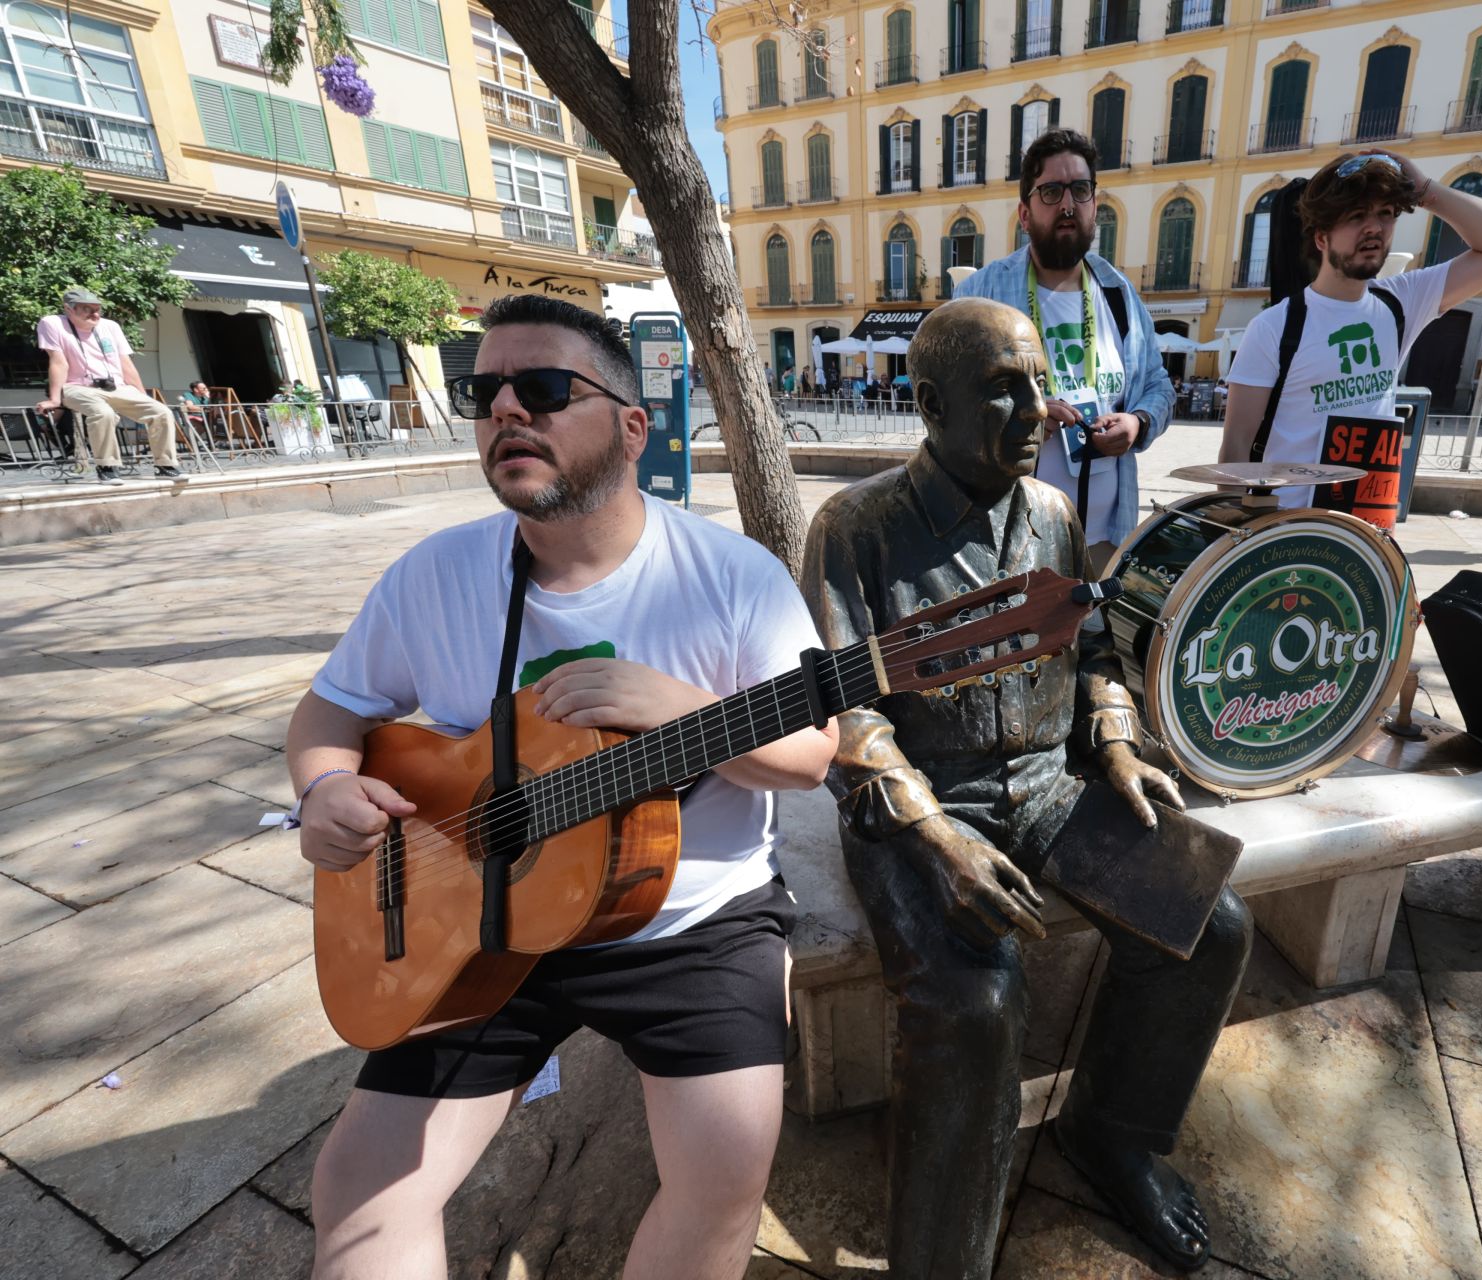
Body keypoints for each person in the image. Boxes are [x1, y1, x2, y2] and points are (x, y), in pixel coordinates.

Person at [289, 294, 837, 1279]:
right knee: (358, 1190)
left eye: (540, 387)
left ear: (633, 427)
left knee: (722, 1177)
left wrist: (675, 707)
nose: (506, 408)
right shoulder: (433, 577)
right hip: (481, 921)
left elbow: (810, 751)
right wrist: (324, 786)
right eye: (484, 390)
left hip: (689, 919)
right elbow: (329, 712)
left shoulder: (735, 577)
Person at [801, 298, 1251, 1279]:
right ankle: (943, 1259)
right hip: (921, 809)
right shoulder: (855, 528)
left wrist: (1121, 746)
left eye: (1043, 383)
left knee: (1208, 920)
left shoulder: (1052, 512)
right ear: (928, 404)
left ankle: (1113, 1136)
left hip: (1050, 784)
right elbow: (849, 720)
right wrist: (936, 837)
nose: (1040, 410)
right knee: (974, 998)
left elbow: (1090, 647)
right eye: (1006, 389)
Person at [1221, 152, 1482, 509]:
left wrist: (1425, 193)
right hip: (1290, 529)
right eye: (1356, 217)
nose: (1374, 227)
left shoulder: (1402, 300)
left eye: (1385, 214)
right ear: (1322, 238)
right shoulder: (1274, 326)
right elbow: (1236, 447)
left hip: (1368, 527)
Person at [955, 128, 1175, 575]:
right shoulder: (980, 296)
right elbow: (948, 403)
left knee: (1096, 643)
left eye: (1081, 189)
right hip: (1010, 547)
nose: (1068, 204)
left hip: (1104, 540)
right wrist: (1022, 414)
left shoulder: (1119, 294)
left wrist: (1139, 421)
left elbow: (1158, 385)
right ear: (1024, 212)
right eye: (1051, 191)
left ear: (1095, 204)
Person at [34, 286, 182, 483]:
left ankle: (165, 465)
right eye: (87, 309)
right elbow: (58, 361)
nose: (95, 313)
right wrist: (54, 399)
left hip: (116, 386)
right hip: (78, 386)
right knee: (103, 413)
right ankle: (107, 467)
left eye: (97, 308)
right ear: (69, 309)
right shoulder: (52, 323)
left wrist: (141, 395)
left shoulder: (110, 326)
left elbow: (125, 364)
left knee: (161, 412)